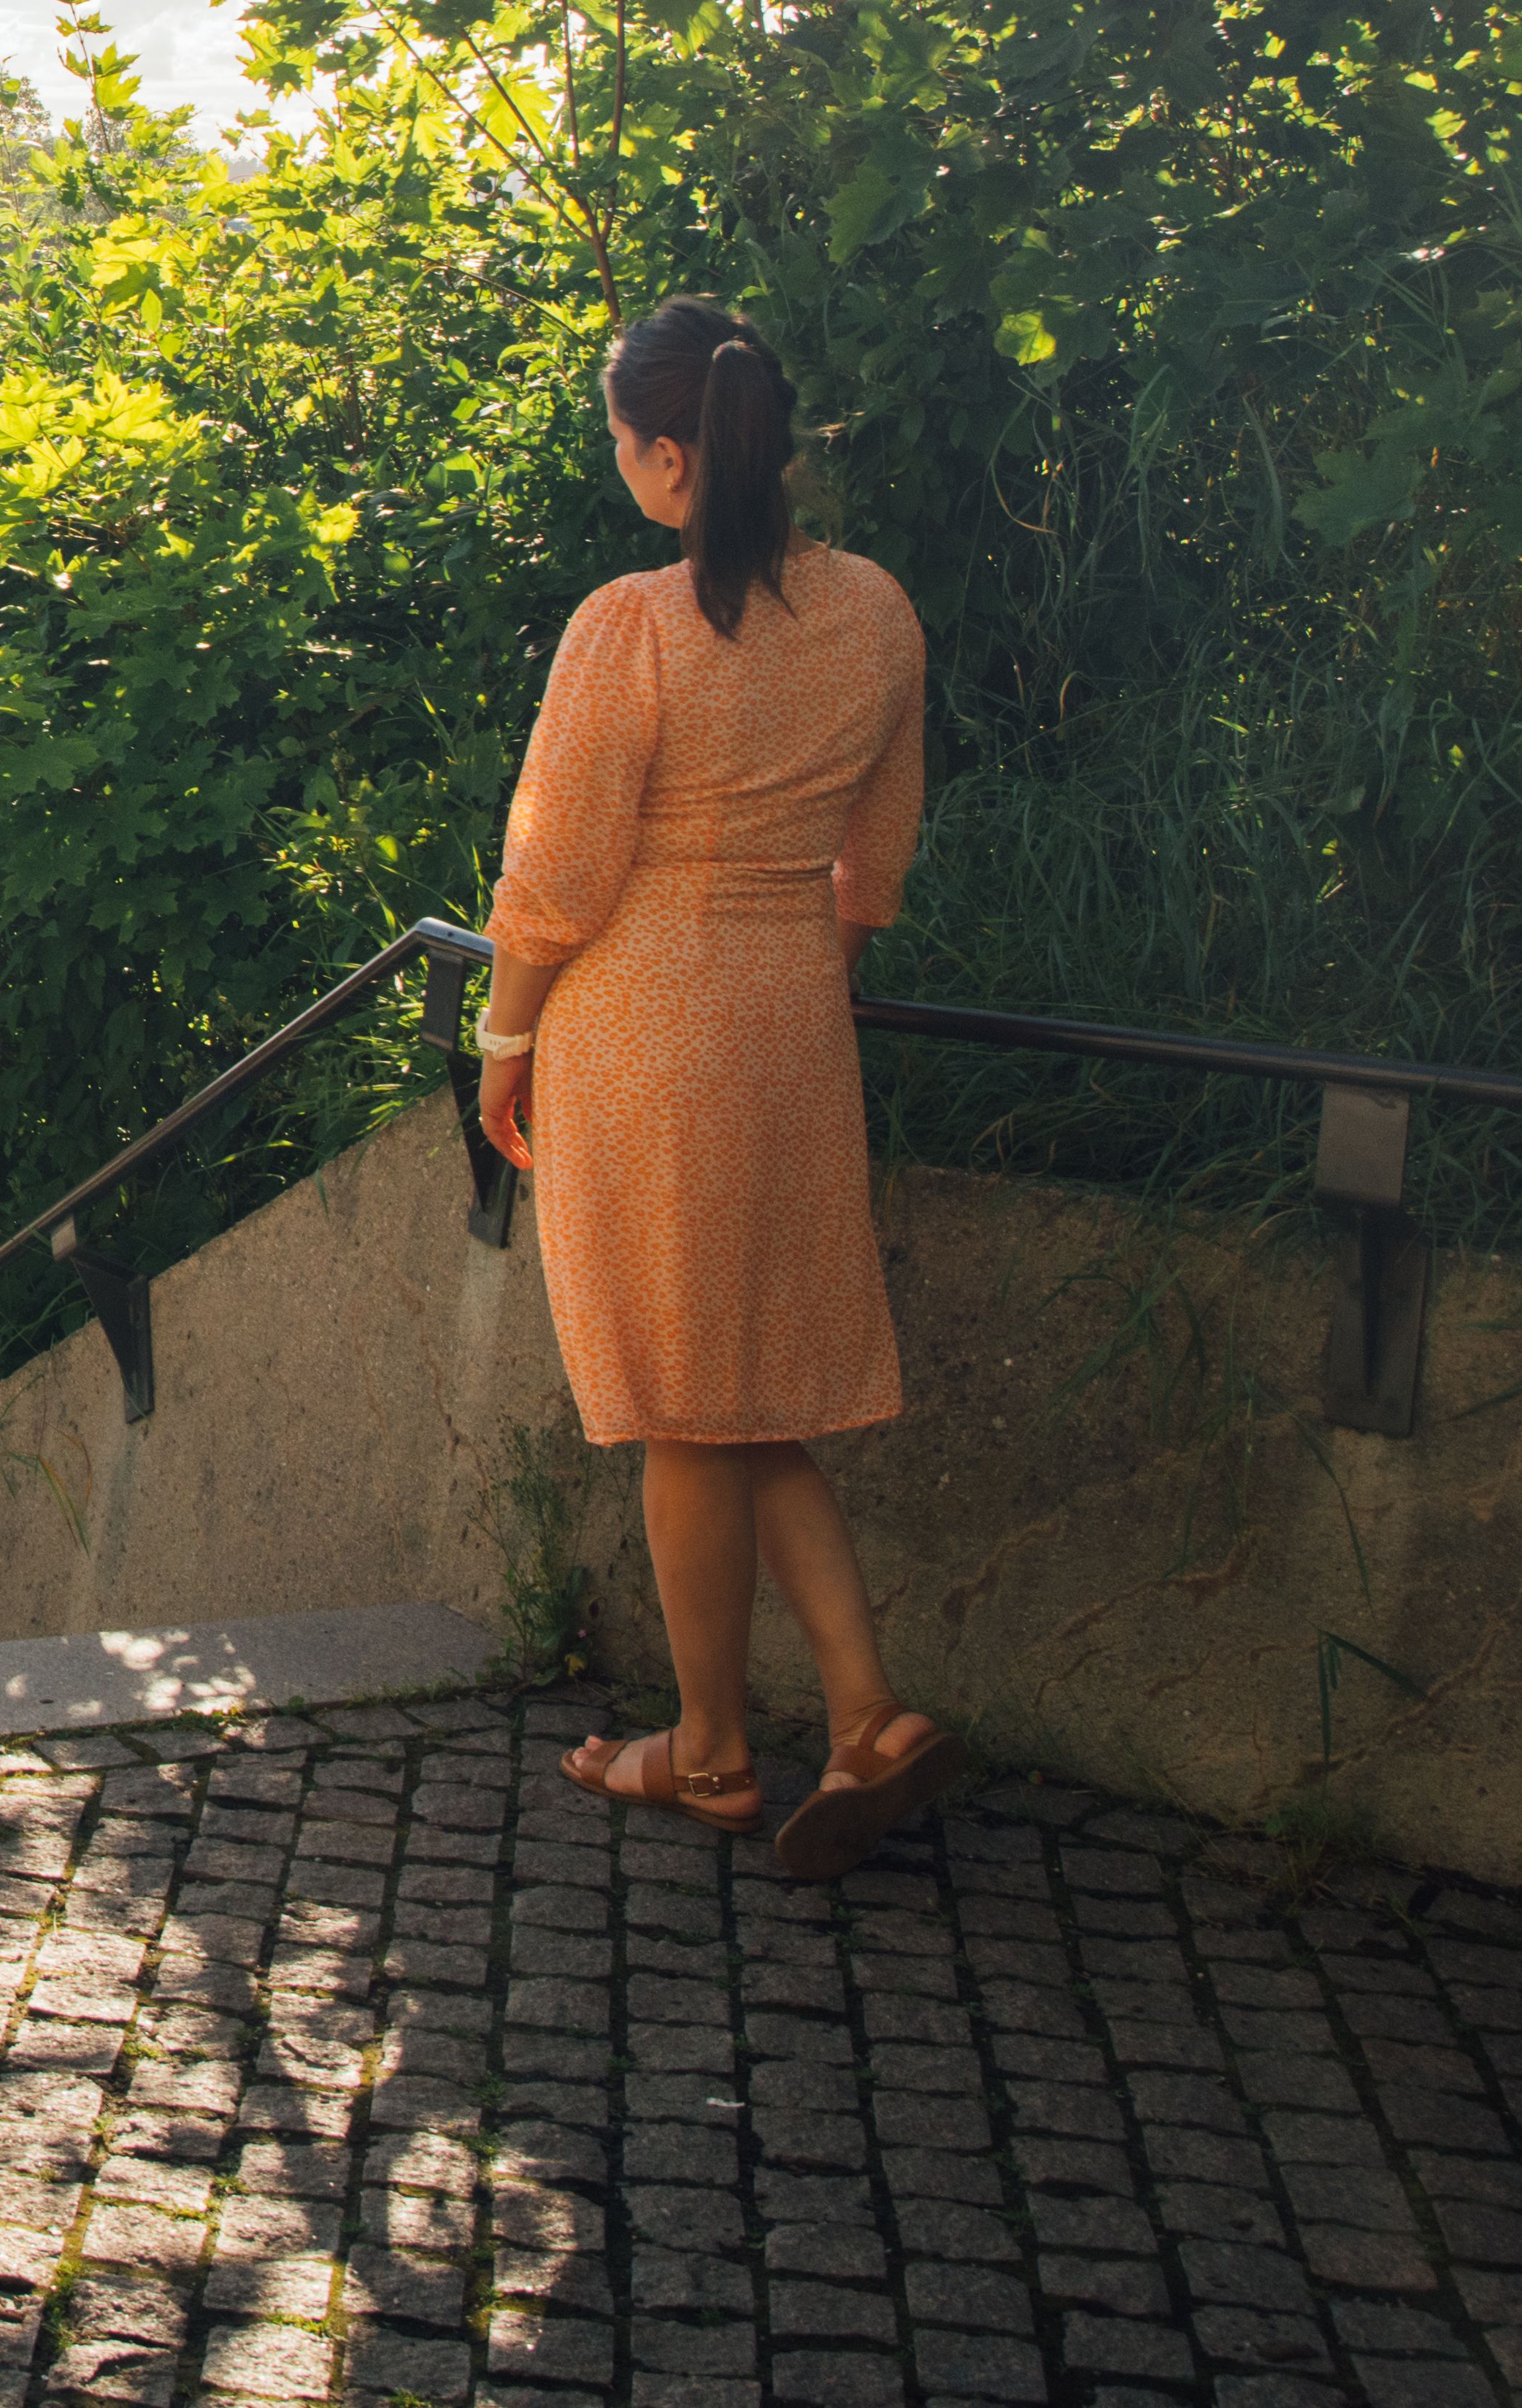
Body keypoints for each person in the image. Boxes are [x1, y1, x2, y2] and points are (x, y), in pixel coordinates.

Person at [477, 296, 964, 1876]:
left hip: (643, 1023)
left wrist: (502, 1035)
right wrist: (777, 960)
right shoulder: (875, 610)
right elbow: (870, 868)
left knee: (685, 1405)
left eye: (620, 442)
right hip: (786, 1016)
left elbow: (553, 874)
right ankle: (865, 1704)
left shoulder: (632, 624)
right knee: (745, 1385)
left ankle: (702, 1750)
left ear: (667, 453)